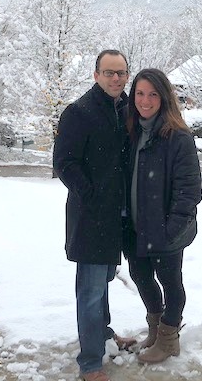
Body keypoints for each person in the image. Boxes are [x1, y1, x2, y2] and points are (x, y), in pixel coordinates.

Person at [53, 49, 137, 381]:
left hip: (117, 216)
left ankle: (103, 334)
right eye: (109, 72)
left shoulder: (127, 109)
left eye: (121, 73)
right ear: (96, 75)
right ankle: (90, 362)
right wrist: (92, 195)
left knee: (102, 282)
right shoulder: (79, 112)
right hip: (91, 216)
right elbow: (64, 163)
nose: (116, 78)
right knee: (89, 290)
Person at [124, 68, 202, 364]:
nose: (145, 101)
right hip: (136, 227)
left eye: (153, 94)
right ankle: (155, 331)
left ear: (164, 97)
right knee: (141, 277)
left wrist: (170, 230)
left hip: (167, 230)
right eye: (140, 93)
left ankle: (169, 340)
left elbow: (189, 191)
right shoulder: (132, 131)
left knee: (170, 283)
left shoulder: (177, 137)